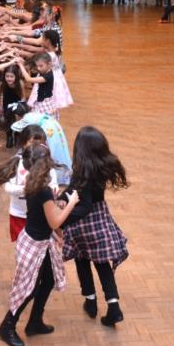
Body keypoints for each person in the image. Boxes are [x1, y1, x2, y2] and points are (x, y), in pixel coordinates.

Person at [0, 144, 80, 346]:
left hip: (40, 241)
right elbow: (54, 221)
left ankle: (34, 321)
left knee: (48, 279)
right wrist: (71, 203)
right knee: (28, 289)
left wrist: (57, 231)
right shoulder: (43, 190)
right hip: (35, 245)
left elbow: (45, 216)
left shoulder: (34, 181)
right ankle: (7, 327)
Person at [59, 126, 129, 327]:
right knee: (102, 264)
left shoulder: (82, 172)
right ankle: (114, 306)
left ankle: (90, 302)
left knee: (82, 260)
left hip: (83, 223)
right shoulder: (99, 168)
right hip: (100, 219)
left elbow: (84, 205)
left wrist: (61, 221)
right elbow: (74, 190)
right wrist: (62, 196)